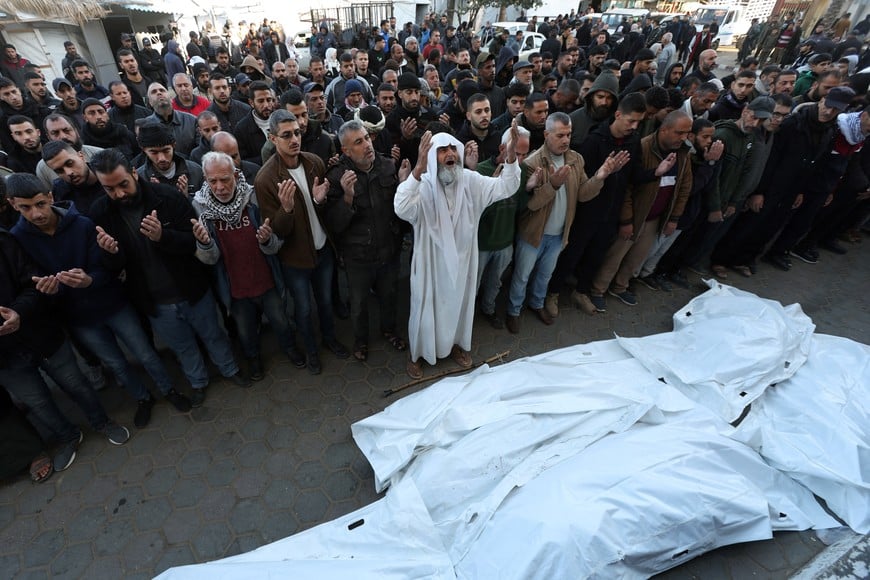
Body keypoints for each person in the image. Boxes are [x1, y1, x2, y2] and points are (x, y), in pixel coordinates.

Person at [8, 173, 192, 428]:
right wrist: (48, 291)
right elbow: (31, 282)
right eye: (25, 208)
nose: (36, 213)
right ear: (13, 204)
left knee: (145, 354)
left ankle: (169, 389)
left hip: (113, 304)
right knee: (116, 364)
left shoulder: (82, 224)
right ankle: (142, 398)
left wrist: (90, 280)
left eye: (40, 204)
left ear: (50, 196)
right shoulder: (17, 239)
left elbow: (107, 266)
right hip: (79, 318)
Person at [88, 149, 250, 407]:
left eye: (123, 185)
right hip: (155, 301)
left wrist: (163, 237)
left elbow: (192, 243)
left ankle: (230, 369)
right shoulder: (100, 213)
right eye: (109, 189)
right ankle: (198, 382)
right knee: (182, 346)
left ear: (133, 173)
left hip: (191, 289)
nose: (118, 194)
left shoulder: (167, 197)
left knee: (213, 335)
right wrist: (110, 254)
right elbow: (112, 267)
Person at [0, 223, 130, 474]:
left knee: (76, 384)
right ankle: (68, 437)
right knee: (38, 402)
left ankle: (102, 422)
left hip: (40, 335)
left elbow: (34, 285)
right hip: (6, 361)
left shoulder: (5, 242)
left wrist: (18, 312)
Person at [395, 124, 522, 378]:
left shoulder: (471, 182)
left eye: (453, 148)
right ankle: (418, 355)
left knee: (458, 307)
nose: (450, 153)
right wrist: (418, 170)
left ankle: (456, 346)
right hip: (431, 264)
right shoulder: (424, 185)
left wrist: (510, 157)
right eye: (442, 150)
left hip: (463, 262)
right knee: (425, 311)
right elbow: (401, 207)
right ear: (431, 156)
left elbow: (506, 187)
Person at [191, 151, 304, 379]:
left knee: (281, 321)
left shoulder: (253, 197)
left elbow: (274, 246)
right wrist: (204, 244)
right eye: (212, 181)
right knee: (246, 332)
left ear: (236, 174)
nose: (220, 187)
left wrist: (266, 240)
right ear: (205, 179)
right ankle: (253, 359)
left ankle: (290, 348)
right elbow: (210, 259)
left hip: (266, 280)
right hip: (236, 289)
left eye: (225, 179)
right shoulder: (199, 207)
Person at [255, 110, 349, 375]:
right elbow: (277, 233)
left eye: (297, 132)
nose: (294, 139)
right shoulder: (265, 179)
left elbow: (326, 210)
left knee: (326, 302)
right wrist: (285, 210)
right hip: (295, 260)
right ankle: (311, 351)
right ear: (272, 138)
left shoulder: (314, 162)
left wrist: (321, 200)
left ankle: (330, 339)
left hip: (323, 252)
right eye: (286, 135)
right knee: (304, 310)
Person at [588, 110, 691, 310]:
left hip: (654, 218)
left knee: (637, 257)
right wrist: (626, 220)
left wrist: (674, 217)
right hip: (635, 215)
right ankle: (597, 290)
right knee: (615, 257)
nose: (684, 138)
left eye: (687, 133)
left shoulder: (683, 153)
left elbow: (685, 186)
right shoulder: (642, 147)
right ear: (664, 130)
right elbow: (627, 187)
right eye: (679, 133)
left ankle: (620, 287)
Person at [323, 121, 406, 361]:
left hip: (388, 250)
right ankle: (360, 341)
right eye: (358, 142)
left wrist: (403, 185)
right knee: (359, 305)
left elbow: (398, 210)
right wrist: (347, 198)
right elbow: (334, 225)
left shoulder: (388, 166)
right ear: (345, 151)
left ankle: (389, 330)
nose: (367, 145)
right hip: (358, 257)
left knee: (389, 295)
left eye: (367, 138)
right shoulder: (337, 176)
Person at [475, 126, 536, 329]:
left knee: (495, 282)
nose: (519, 159)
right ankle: (467, 318)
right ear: (503, 147)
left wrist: (528, 189)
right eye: (516, 153)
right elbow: (472, 213)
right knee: (472, 284)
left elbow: (519, 207)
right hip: (481, 243)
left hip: (505, 242)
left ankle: (489, 309)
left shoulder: (524, 171)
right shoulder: (481, 170)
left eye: (524, 154)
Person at [136, 122, 204, 198]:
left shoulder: (196, 171)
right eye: (154, 152)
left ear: (174, 145)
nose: (162, 158)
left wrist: (186, 198)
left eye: (166, 151)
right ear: (144, 150)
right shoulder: (140, 179)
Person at [143, 82, 197, 156]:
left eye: (162, 90)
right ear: (150, 102)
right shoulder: (145, 127)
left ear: (171, 98)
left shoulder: (191, 120)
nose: (159, 93)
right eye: (154, 92)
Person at [235, 81, 276, 165]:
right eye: (261, 101)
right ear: (251, 103)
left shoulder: (281, 119)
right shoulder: (242, 129)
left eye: (269, 100)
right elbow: (243, 162)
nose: (266, 105)